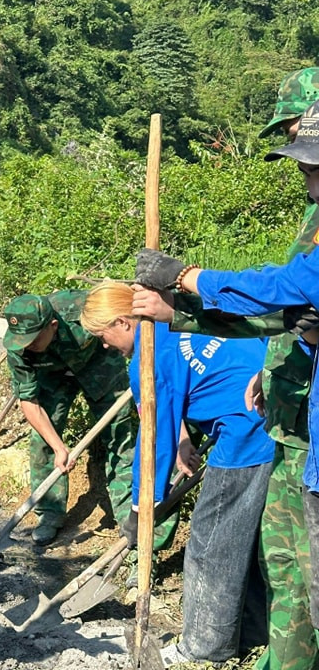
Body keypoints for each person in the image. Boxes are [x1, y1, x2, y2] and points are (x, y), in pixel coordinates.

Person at [135, 69, 319, 670]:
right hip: (287, 419)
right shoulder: (312, 218)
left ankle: (223, 647)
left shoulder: (148, 358)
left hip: (267, 432)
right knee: (285, 558)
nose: (301, 165)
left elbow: (286, 290)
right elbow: (285, 315)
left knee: (286, 561)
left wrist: (189, 281)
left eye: (304, 145)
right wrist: (188, 309)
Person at [81, 282, 274, 665]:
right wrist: (188, 436)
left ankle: (204, 647)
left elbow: (153, 442)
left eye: (102, 336)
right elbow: (184, 392)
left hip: (248, 432)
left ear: (123, 322)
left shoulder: (148, 359)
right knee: (246, 539)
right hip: (277, 417)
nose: (104, 346)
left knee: (210, 540)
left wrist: (140, 506)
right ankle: (250, 633)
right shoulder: (178, 320)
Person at [2, 291, 137, 545]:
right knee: (42, 440)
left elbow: (118, 320)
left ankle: (127, 517)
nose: (25, 345)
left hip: (99, 362)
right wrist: (58, 446)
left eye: (32, 340)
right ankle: (49, 514)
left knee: (119, 436)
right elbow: (29, 401)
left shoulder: (80, 310)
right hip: (52, 375)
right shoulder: (19, 345)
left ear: (52, 326)